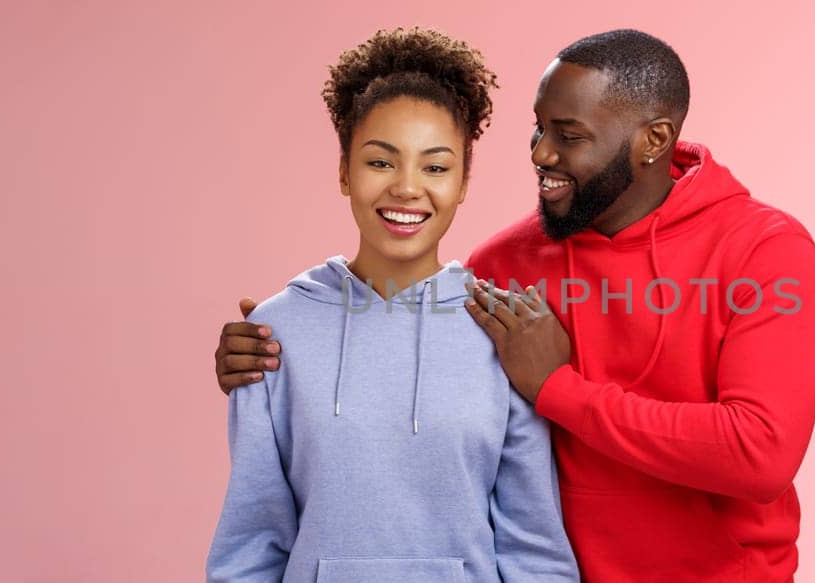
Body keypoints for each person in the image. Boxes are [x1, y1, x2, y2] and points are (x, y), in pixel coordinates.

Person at [216, 29, 815, 581]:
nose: (539, 154)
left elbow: (759, 453)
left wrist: (558, 387)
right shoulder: (503, 268)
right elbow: (404, 342)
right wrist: (282, 338)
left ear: (654, 140)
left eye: (570, 135)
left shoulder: (763, 250)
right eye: (539, 128)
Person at [206, 28, 578, 583]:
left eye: (435, 167)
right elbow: (251, 543)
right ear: (343, 171)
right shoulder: (274, 332)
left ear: (462, 183)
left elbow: (535, 550)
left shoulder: (502, 330)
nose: (407, 188)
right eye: (381, 162)